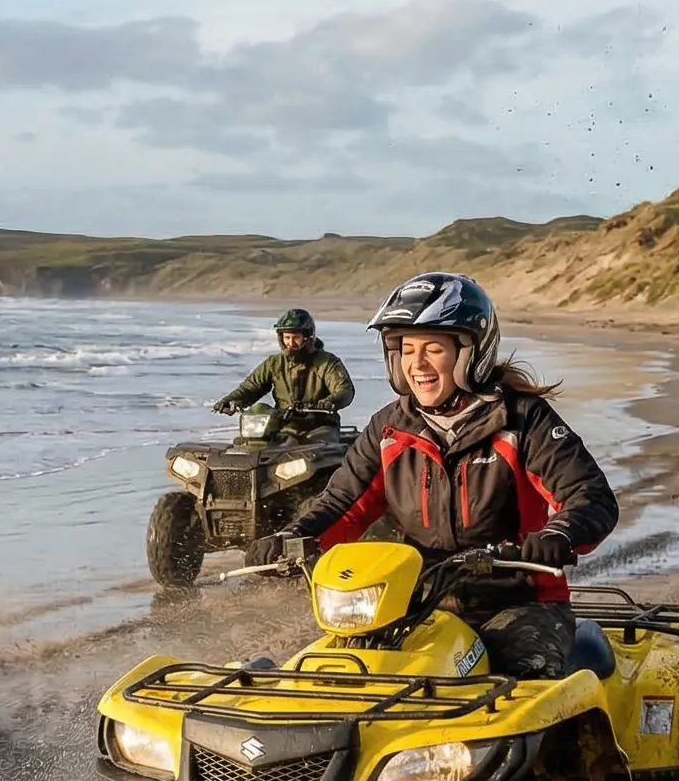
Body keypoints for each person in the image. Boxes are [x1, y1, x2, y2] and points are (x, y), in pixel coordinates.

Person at [247, 273, 617, 679]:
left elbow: (589, 495)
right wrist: (291, 538)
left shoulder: (523, 420)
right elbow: (342, 505)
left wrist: (556, 536)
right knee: (338, 675)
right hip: (414, 600)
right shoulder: (388, 429)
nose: (417, 365)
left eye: (433, 349)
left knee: (520, 691)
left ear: (469, 353)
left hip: (517, 602)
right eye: (406, 349)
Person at [213, 308, 354, 436]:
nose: (290, 343)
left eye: (295, 338)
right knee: (248, 443)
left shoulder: (327, 363)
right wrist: (230, 401)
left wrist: (329, 402)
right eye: (287, 338)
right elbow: (251, 387)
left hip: (320, 425)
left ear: (307, 337)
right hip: (283, 423)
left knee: (318, 452)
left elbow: (344, 389)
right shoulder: (274, 363)